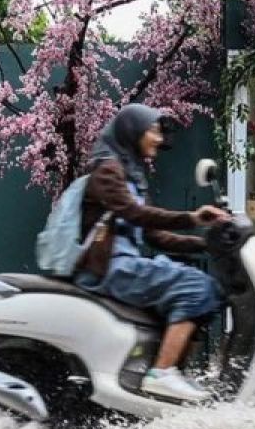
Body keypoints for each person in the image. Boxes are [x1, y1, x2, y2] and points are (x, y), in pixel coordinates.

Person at [75, 104, 230, 403]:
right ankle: (162, 373)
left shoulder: (131, 174)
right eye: (153, 131)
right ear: (132, 132)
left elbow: (154, 236)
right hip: (111, 269)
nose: (159, 139)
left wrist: (207, 245)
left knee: (207, 289)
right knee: (196, 287)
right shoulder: (107, 170)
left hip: (127, 264)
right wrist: (192, 218)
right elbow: (135, 213)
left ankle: (170, 376)